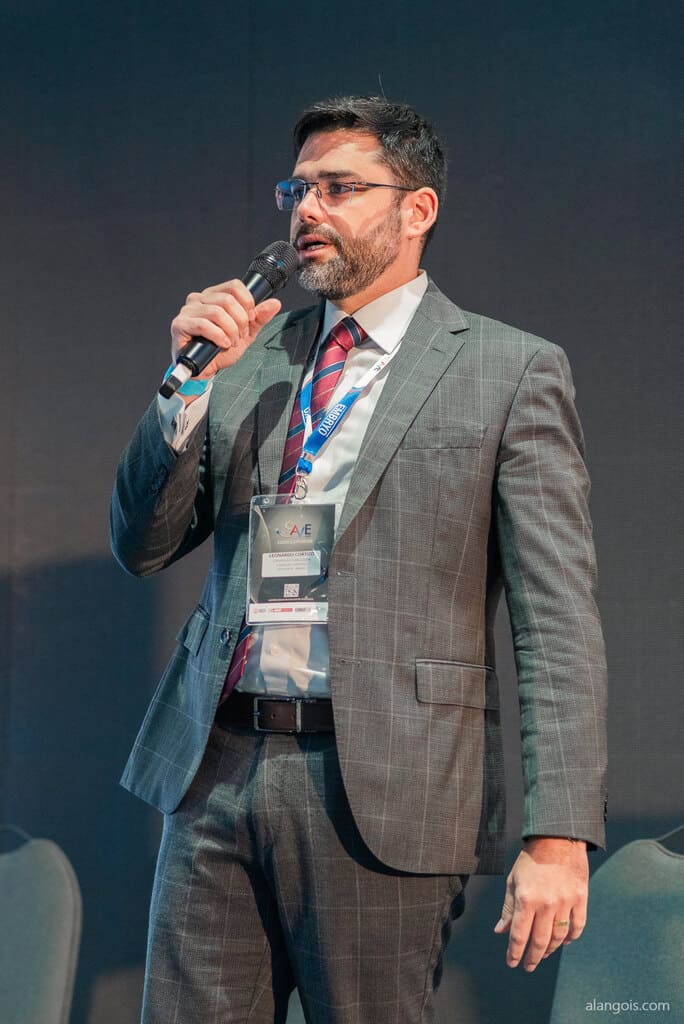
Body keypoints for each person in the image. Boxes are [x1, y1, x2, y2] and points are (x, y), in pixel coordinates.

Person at [111, 95, 608, 1024]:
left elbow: (557, 621)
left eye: (339, 188)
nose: (307, 209)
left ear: (417, 210)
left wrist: (560, 833)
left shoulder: (508, 370)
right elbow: (142, 543)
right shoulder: (251, 356)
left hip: (383, 781)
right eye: (297, 189)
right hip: (216, 766)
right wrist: (183, 389)